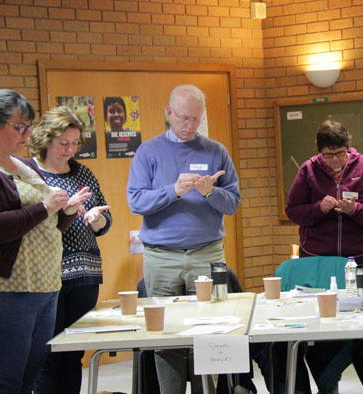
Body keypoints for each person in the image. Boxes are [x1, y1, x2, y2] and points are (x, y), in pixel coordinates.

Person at [0, 89, 90, 394]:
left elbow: (48, 223)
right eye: (20, 127)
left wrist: (64, 212)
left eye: (29, 126)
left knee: (31, 378)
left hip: (42, 287)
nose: (27, 133)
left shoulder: (20, 165)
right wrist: (44, 207)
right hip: (0, 290)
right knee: (5, 382)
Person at [127, 84, 240, 394]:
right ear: (168, 114)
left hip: (207, 253)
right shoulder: (148, 151)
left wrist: (209, 192)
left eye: (195, 119)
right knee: (166, 336)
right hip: (162, 258)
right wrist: (173, 191)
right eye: (183, 118)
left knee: (211, 332)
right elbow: (135, 202)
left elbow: (232, 203)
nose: (189, 126)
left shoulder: (216, 151)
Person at [284, 119, 363, 394]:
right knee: (323, 332)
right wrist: (320, 207)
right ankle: (328, 385)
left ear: (348, 147)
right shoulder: (308, 170)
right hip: (319, 261)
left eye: (340, 153)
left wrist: (355, 211)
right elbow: (293, 211)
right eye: (328, 154)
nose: (335, 160)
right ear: (319, 152)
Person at [30, 106, 112, 394]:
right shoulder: (31, 173)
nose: (70, 149)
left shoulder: (82, 172)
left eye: (75, 143)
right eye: (64, 143)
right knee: (47, 355)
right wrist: (63, 212)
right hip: (47, 278)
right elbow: (27, 224)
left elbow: (104, 216)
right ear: (46, 139)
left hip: (85, 275)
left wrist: (97, 220)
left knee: (74, 354)